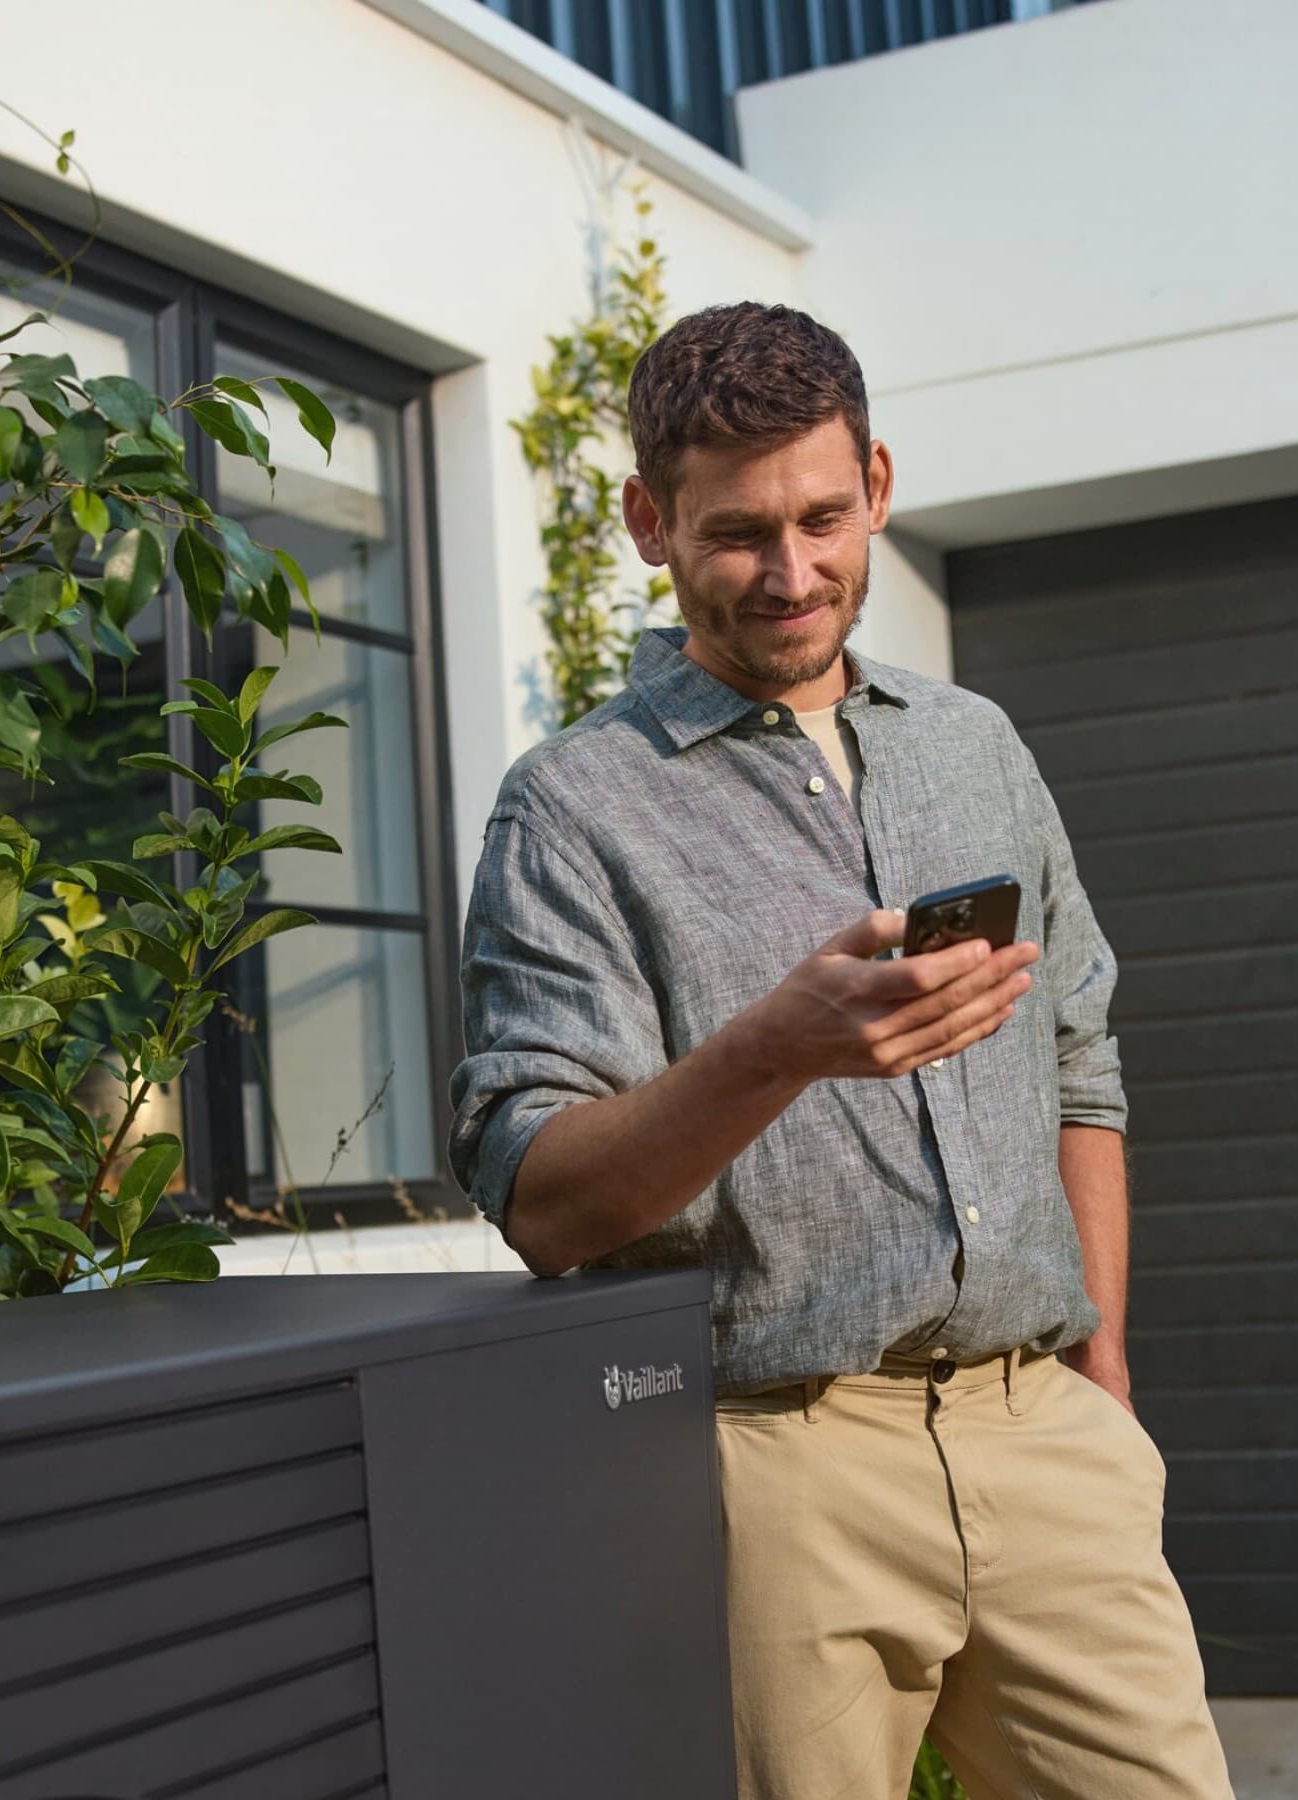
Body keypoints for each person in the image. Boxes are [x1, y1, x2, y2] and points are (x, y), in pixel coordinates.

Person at [450, 302, 1234, 1800]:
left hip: (1043, 1434)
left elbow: (1078, 1060)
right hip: (775, 1469)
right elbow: (543, 1202)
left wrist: (1102, 1378)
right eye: (738, 532)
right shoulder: (573, 810)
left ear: (877, 480)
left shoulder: (975, 745)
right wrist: (775, 1052)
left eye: (822, 516)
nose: (793, 572)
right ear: (647, 524)